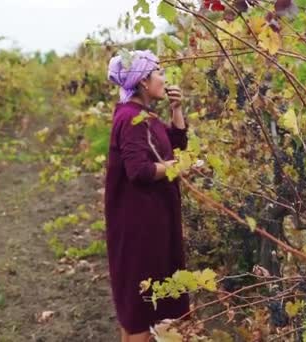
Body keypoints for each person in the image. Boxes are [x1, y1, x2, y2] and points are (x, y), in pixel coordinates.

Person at [104, 49, 190, 342]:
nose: (165, 79)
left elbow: (174, 144)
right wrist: (177, 168)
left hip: (150, 221)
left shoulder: (144, 116)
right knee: (141, 307)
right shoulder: (131, 119)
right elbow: (139, 170)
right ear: (143, 81)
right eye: (159, 73)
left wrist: (177, 110)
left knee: (138, 301)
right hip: (140, 225)